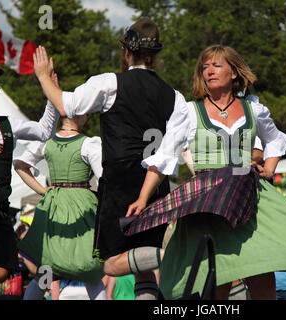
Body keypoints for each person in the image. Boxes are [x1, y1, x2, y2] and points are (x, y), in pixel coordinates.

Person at [126, 45, 286, 300]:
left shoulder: (253, 109)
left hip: (249, 195)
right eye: (205, 67)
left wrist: (269, 168)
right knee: (217, 275)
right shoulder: (190, 112)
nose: (209, 71)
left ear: (234, 73)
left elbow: (275, 140)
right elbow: (165, 157)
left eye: (216, 65)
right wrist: (142, 198)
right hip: (209, 200)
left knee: (260, 269)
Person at [32, 18, 187, 300]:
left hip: (120, 183)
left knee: (112, 263)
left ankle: (175, 255)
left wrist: (43, 76)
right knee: (143, 270)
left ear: (127, 52)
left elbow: (68, 105)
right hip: (155, 185)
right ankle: (166, 257)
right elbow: (169, 154)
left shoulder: (109, 83)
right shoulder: (175, 97)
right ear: (154, 57)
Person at [0, 68, 58, 300]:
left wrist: (52, 95)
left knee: (1, 273)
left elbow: (44, 131)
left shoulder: (8, 125)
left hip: (0, 211)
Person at [14, 90, 106, 300]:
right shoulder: (89, 144)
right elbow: (104, 180)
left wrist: (43, 190)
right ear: (82, 115)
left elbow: (20, 165)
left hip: (52, 207)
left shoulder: (47, 141)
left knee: (46, 271)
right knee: (89, 271)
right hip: (82, 209)